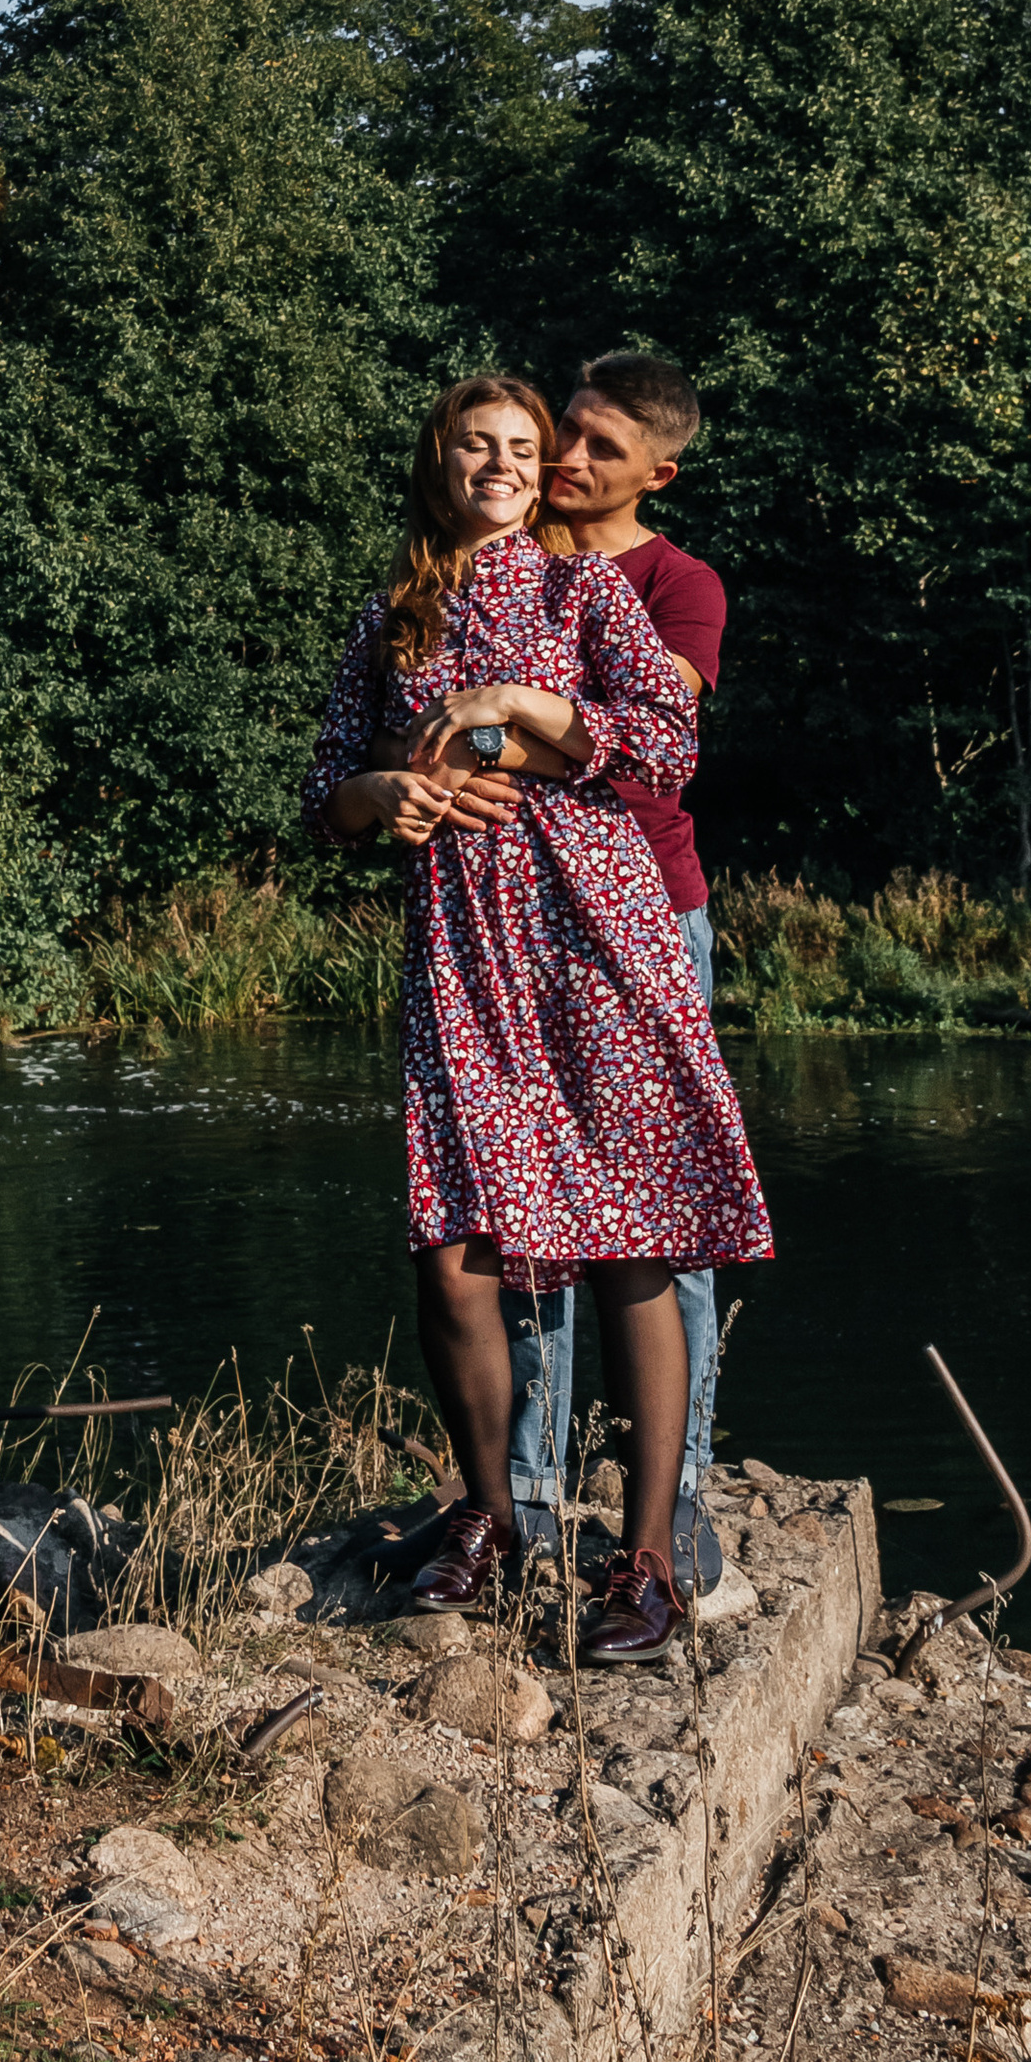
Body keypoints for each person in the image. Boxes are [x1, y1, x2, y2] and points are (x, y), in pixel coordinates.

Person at [301, 376, 773, 1662]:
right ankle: (492, 1525)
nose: (512, 464)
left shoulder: (585, 590)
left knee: (630, 1239)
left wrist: (510, 717)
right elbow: (322, 795)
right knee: (453, 1248)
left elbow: (664, 744)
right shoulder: (389, 616)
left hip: (596, 929)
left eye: (526, 446)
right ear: (438, 462)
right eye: (483, 446)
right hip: (460, 945)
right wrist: (382, 793)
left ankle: (646, 1562)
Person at [507, 353, 730, 1585]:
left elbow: (652, 750)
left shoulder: (675, 580)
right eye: (563, 436)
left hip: (647, 914)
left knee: (664, 1220)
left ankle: (679, 1491)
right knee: (528, 1210)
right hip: (507, 917)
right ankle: (531, 1488)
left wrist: (505, 718)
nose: (566, 460)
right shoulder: (494, 560)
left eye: (598, 445)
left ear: (659, 467)